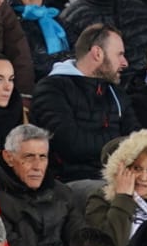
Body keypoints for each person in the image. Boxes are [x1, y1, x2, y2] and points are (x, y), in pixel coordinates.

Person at [30, 25, 134, 184]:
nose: (125, 63)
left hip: (118, 178)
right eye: (119, 55)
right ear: (97, 53)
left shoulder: (116, 93)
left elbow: (138, 138)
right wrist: (123, 141)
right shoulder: (51, 89)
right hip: (69, 183)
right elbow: (71, 145)